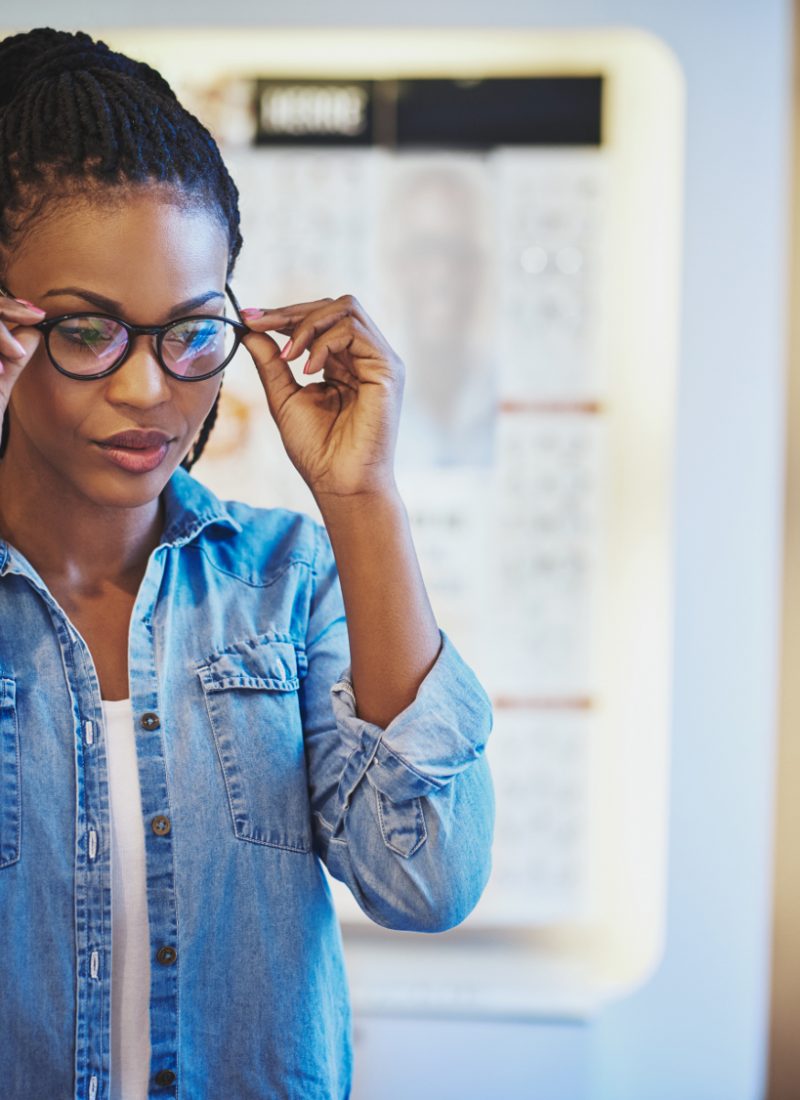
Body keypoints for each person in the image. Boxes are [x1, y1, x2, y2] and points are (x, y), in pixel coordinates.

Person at [0, 28, 494, 1100]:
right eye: (85, 330)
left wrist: (361, 499)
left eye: (190, 329)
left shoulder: (284, 582)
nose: (148, 391)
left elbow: (428, 879)